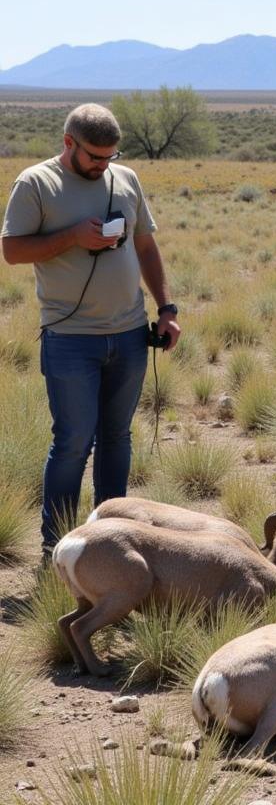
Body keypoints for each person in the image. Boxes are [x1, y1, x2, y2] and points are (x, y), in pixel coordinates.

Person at [1, 103, 181, 557]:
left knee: (117, 437)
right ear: (68, 144)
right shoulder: (36, 183)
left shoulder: (126, 180)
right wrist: (74, 237)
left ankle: (109, 542)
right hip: (69, 338)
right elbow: (13, 250)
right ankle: (55, 547)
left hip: (129, 334)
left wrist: (167, 307)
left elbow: (145, 244)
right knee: (73, 441)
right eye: (95, 158)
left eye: (110, 158)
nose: (104, 166)